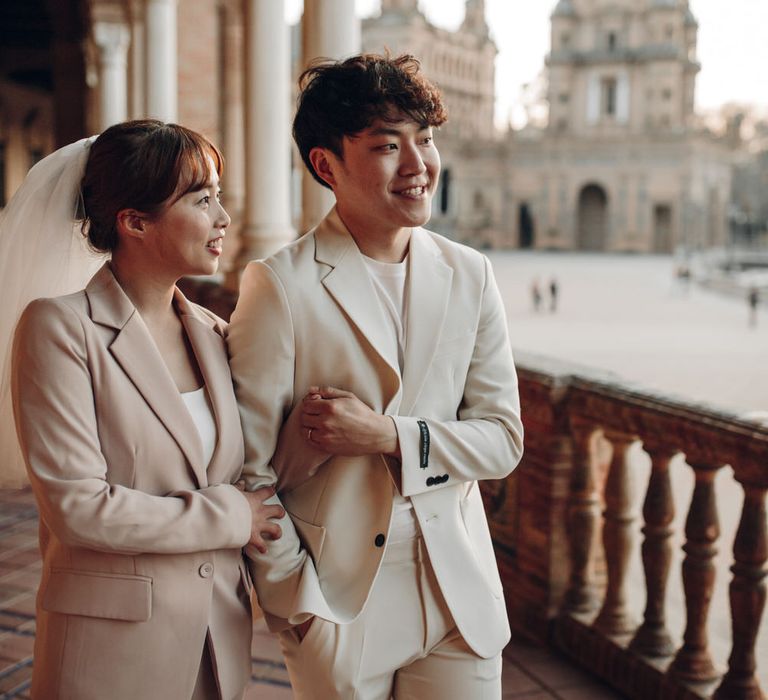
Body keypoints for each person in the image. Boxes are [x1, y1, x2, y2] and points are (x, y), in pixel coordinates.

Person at [228, 54, 524, 699]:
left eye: (425, 139)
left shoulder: (470, 273)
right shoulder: (279, 286)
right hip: (340, 600)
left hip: (459, 592)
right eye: (388, 146)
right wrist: (296, 605)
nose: (418, 165)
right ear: (326, 164)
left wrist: (390, 435)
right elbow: (249, 473)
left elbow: (502, 440)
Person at [2, 120, 285, 699]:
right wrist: (232, 517)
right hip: (110, 652)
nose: (224, 219)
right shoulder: (60, 328)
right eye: (202, 200)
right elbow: (78, 507)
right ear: (134, 222)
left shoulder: (215, 334)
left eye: (220, 197)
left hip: (215, 644)